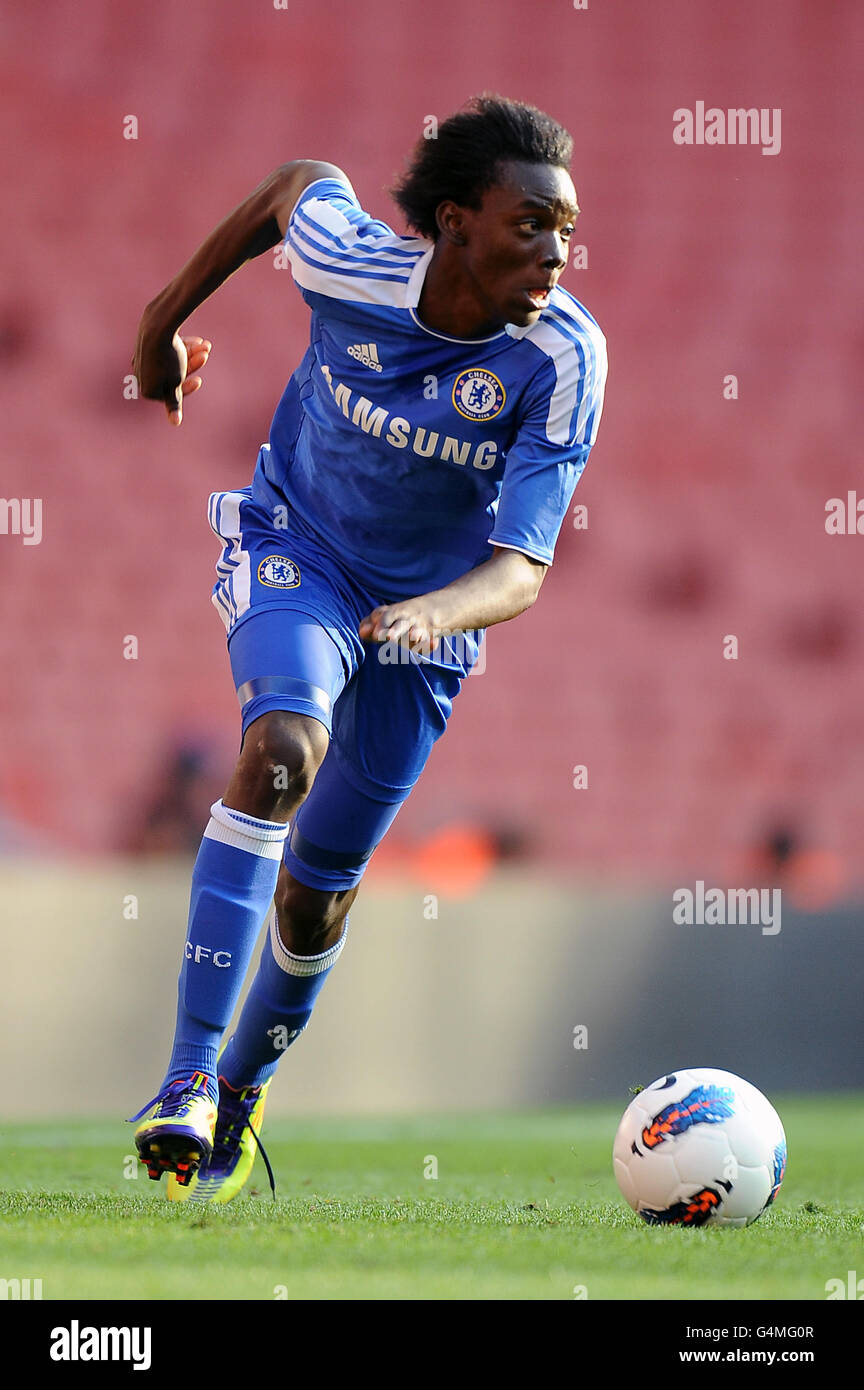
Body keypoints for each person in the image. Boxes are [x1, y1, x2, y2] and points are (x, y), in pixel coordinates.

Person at [128, 94, 607, 1202]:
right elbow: (296, 179)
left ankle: (241, 1090)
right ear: (453, 222)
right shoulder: (353, 264)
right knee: (284, 742)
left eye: (568, 230)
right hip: (301, 544)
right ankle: (187, 1077)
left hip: (427, 621)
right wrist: (158, 326)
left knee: (318, 892)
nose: (556, 253)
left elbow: (523, 566)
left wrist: (442, 612)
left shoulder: (563, 356)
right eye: (531, 223)